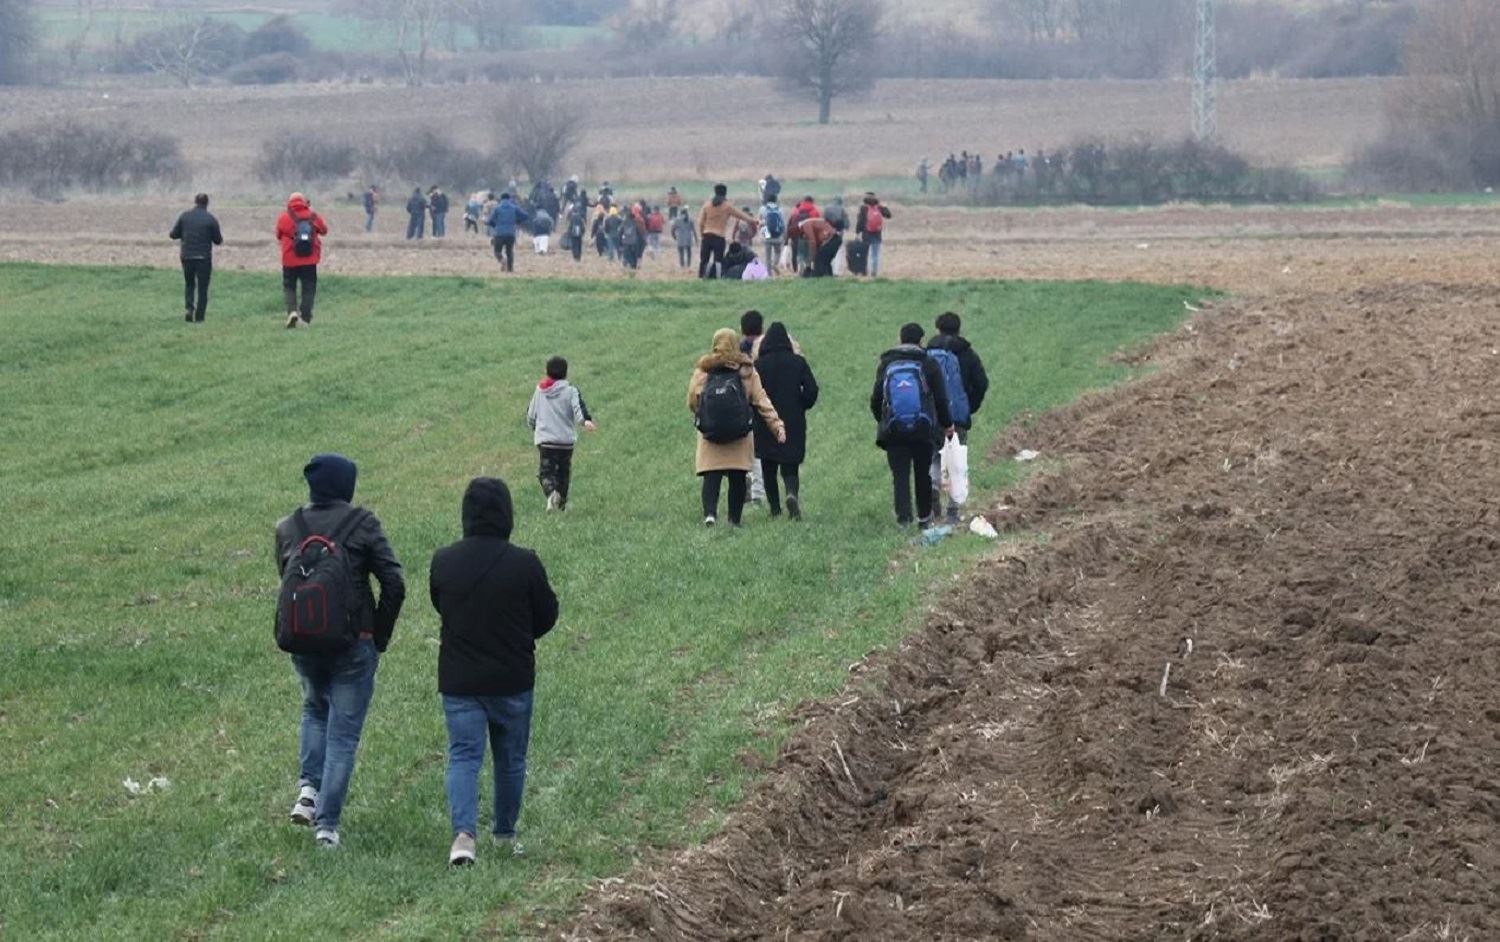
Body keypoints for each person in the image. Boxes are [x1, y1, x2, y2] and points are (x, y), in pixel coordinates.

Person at [275, 453, 405, 848]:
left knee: (314, 710)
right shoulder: (362, 524)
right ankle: (327, 827)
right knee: (343, 736)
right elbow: (394, 582)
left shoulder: (288, 527)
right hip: (354, 642)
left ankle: (307, 792)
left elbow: (287, 577)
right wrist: (378, 635)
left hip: (303, 639)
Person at [429, 476, 558, 867]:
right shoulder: (525, 563)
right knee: (510, 758)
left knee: (464, 756)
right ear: (507, 514)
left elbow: (440, 604)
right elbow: (548, 615)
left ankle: (464, 837)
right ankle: (504, 833)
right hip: (513, 679)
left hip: (460, 680)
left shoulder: (444, 561)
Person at [688, 328, 785, 527]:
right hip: (739, 433)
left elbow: (692, 399)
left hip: (710, 432)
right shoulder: (746, 370)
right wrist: (777, 425)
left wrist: (703, 413)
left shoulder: (703, 369)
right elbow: (761, 400)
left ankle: (710, 514)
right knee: (737, 476)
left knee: (711, 474)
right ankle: (734, 519)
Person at [871, 323, 954, 528]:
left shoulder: (887, 363)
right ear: (921, 341)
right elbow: (941, 399)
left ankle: (904, 518)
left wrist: (882, 420)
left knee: (900, 474)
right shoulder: (928, 363)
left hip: (894, 429)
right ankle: (924, 518)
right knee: (922, 473)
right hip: (923, 428)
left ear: (900, 339)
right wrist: (947, 424)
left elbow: (876, 398)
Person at [926, 312, 990, 523]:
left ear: (937, 328)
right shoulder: (967, 354)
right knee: (957, 462)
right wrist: (969, 406)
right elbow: (981, 383)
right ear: (959, 329)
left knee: (934, 456)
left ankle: (933, 488)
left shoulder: (927, 353)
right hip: (957, 416)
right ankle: (953, 511)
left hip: (931, 414)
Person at [753, 322, 819, 520]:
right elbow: (812, 390)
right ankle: (791, 492)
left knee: (768, 464)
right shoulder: (798, 362)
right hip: (793, 419)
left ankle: (774, 509)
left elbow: (751, 394)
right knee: (790, 463)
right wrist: (802, 404)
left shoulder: (759, 365)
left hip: (766, 421)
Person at [526, 356, 597, 512]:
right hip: (565, 442)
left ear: (547, 372)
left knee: (546, 472)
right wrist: (585, 421)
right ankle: (563, 503)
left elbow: (531, 414)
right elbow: (579, 409)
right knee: (564, 472)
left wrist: (532, 425)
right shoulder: (571, 390)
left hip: (545, 440)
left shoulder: (540, 390)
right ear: (566, 373)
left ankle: (551, 493)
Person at [275, 192, 327, 329]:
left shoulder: (284, 217)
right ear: (304, 202)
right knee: (309, 288)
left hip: (289, 260)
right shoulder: (313, 216)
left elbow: (278, 235)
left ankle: (292, 312)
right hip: (309, 260)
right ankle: (305, 318)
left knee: (289, 286)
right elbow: (324, 231)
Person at [168, 192, 222, 323]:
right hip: (203, 258)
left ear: (195, 202)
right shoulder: (211, 219)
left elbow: (173, 234)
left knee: (189, 284)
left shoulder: (185, 216)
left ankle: (189, 309)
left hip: (187, 256)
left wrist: (185, 234)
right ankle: (199, 317)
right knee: (203, 288)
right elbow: (218, 240)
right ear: (207, 204)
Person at [697, 184, 758, 279]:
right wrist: (753, 220)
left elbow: (700, 222)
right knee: (718, 260)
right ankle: (718, 278)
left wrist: (702, 234)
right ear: (725, 194)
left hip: (707, 235)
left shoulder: (707, 205)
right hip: (719, 237)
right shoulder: (727, 206)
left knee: (704, 260)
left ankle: (701, 277)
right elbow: (741, 215)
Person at [487, 192, 529, 273]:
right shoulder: (514, 208)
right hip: (511, 233)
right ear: (509, 199)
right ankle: (510, 270)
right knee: (509, 252)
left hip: (499, 233)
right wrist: (517, 221)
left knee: (497, 251)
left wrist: (494, 225)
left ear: (501, 199)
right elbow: (525, 216)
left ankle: (502, 260)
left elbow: (490, 221)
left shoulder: (497, 208)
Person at [855, 193, 893, 278]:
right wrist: (884, 207)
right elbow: (889, 215)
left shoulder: (863, 208)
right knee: (875, 255)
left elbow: (860, 221)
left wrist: (857, 232)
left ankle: (864, 271)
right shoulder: (879, 207)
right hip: (877, 234)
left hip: (866, 234)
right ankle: (874, 272)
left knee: (865, 254)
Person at [759, 200, 786, 274]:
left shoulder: (763, 209)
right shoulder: (780, 210)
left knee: (768, 256)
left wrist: (762, 234)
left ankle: (769, 273)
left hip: (767, 235)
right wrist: (784, 235)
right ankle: (775, 264)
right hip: (777, 235)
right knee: (778, 252)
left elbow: (760, 222)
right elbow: (783, 224)